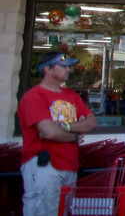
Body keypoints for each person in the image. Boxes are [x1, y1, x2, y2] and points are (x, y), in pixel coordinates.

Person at [17, 51, 98, 216]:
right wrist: (75, 135)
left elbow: (92, 122)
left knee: (63, 211)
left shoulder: (72, 95)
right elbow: (49, 132)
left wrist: (65, 127)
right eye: (63, 66)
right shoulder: (34, 96)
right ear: (48, 69)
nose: (69, 70)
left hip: (70, 165)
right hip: (44, 165)